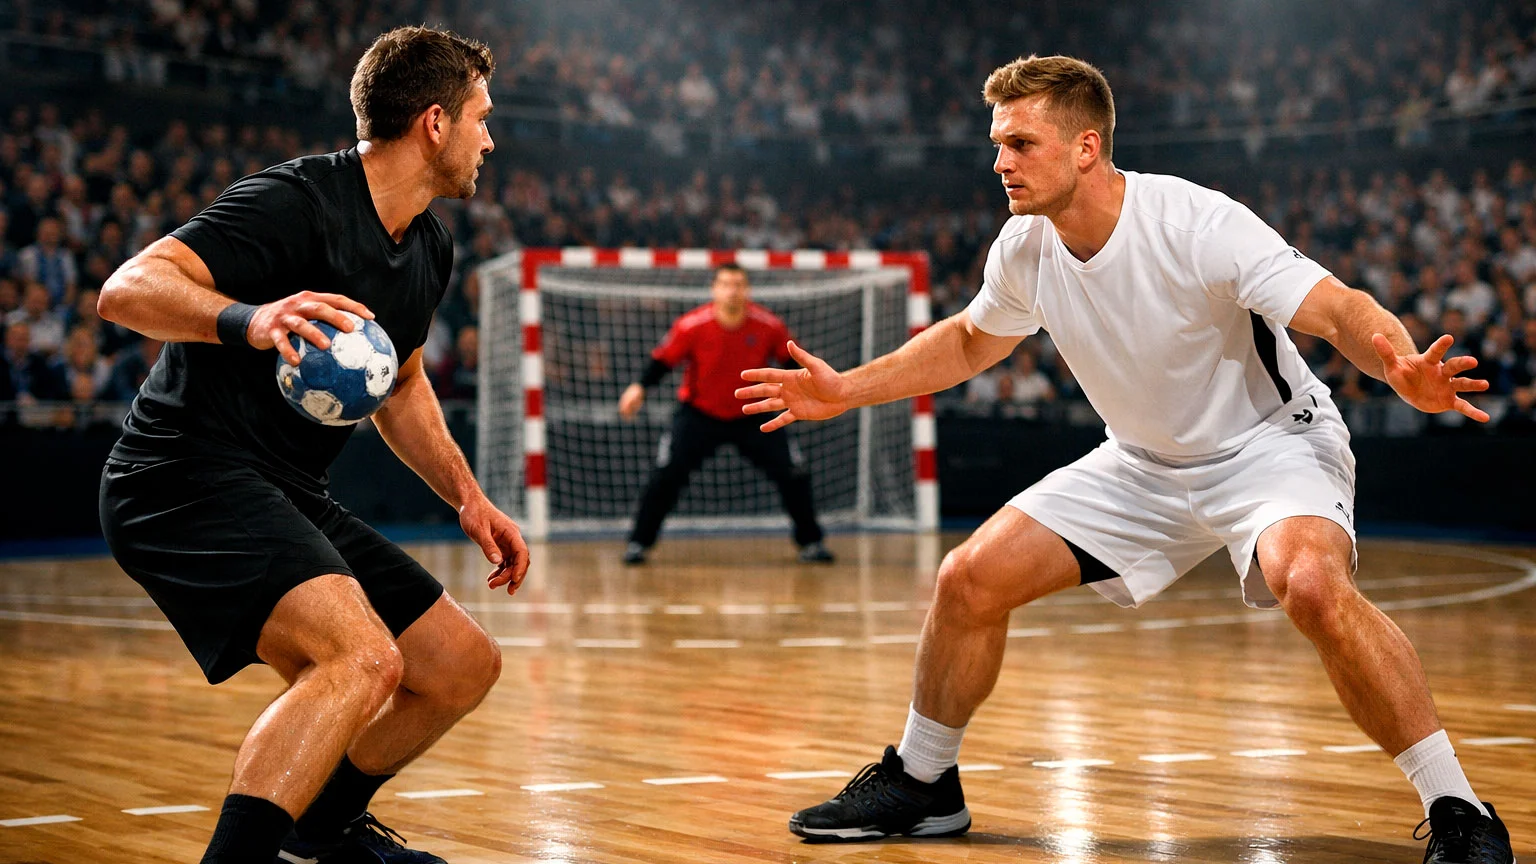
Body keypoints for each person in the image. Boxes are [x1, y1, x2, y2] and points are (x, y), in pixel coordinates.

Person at [738, 55, 1513, 864]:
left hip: (1270, 446)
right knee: (967, 578)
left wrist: (1398, 365)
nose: (1000, 163)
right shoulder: (1024, 246)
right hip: (1142, 465)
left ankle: (1460, 809)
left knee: (1312, 585)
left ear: (1086, 147)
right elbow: (969, 341)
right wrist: (846, 390)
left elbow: (1337, 308)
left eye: (1020, 144)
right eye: (997, 144)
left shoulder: (1196, 223)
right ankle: (924, 782)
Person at [96, 26, 528, 864]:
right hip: (181, 476)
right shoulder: (296, 200)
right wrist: (250, 318)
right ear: (435, 122)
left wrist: (469, 497)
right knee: (359, 658)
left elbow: (402, 384)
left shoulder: (429, 243)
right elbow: (127, 288)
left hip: (287, 487)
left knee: (458, 664)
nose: (490, 139)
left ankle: (315, 839)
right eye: (482, 118)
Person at [618, 263, 834, 565]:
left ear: (747, 290)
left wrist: (815, 390)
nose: (732, 291)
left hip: (753, 413)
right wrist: (639, 387)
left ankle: (811, 542)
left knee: (794, 473)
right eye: (726, 284)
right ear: (714, 289)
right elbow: (663, 361)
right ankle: (638, 543)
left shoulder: (769, 325)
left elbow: (791, 363)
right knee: (666, 474)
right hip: (699, 414)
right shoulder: (691, 325)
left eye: (738, 284)